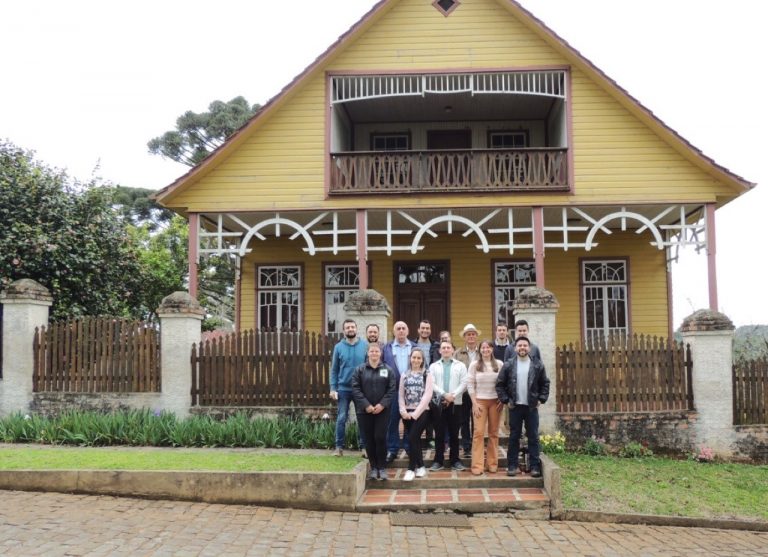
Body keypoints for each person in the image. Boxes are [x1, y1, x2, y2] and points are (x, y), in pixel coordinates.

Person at [496, 336, 550, 478]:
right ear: (515, 348)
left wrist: (541, 399)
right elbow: (500, 384)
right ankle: (512, 465)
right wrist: (506, 400)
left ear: (529, 348)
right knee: (514, 436)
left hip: (531, 407)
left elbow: (545, 383)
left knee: (533, 436)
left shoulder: (537, 364)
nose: (522, 348)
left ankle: (534, 466)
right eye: (520, 345)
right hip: (515, 406)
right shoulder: (508, 365)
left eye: (525, 345)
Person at [351, 343, 397, 480]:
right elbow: (355, 389)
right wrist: (366, 405)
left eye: (377, 351)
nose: (374, 353)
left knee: (380, 437)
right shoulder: (359, 370)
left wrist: (382, 405)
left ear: (381, 353)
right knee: (369, 439)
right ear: (368, 353)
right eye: (372, 351)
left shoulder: (388, 370)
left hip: (382, 411)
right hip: (364, 411)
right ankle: (374, 467)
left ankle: (382, 467)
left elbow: (391, 389)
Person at [329, 319, 368, 457]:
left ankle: (364, 448)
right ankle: (339, 447)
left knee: (362, 418)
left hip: (360, 389)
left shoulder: (365, 345)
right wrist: (333, 388)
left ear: (356, 328)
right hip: (343, 389)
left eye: (352, 326)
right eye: (347, 327)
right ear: (344, 330)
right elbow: (334, 370)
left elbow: (369, 368)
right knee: (341, 418)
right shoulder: (338, 347)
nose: (350, 329)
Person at [429, 340, 468, 472]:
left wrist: (453, 395)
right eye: (443, 348)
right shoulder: (433, 366)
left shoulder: (461, 365)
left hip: (455, 404)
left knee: (454, 434)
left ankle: (455, 460)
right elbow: (432, 384)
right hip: (439, 404)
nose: (446, 350)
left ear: (452, 350)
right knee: (439, 434)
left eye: (448, 347)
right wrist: (445, 394)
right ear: (440, 351)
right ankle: (438, 460)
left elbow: (464, 383)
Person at [467, 340, 504, 475]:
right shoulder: (474, 365)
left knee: (494, 433)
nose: (485, 350)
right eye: (483, 347)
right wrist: (474, 403)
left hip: (495, 402)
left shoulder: (499, 364)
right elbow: (470, 384)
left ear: (492, 349)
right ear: (480, 350)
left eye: (488, 347)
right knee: (478, 433)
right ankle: (477, 465)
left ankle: (492, 463)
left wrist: (502, 399)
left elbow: (503, 382)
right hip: (480, 402)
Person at [382, 321, 417, 463]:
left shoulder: (415, 347)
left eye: (403, 328)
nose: (401, 331)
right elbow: (382, 367)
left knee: (409, 421)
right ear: (394, 331)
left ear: (407, 331)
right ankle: (392, 449)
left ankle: (409, 447)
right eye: (398, 329)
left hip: (411, 390)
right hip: (393, 390)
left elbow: (422, 365)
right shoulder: (387, 348)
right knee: (392, 421)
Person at [398, 348, 434, 481]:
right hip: (407, 413)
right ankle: (421, 467)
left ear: (422, 360)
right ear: (410, 358)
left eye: (419, 358)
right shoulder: (404, 374)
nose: (416, 360)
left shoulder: (427, 374)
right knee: (415, 440)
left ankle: (410, 469)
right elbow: (401, 395)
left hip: (423, 412)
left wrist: (415, 414)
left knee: (412, 437)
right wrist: (403, 411)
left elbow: (427, 396)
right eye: (414, 357)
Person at [456, 323, 480, 457]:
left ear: (476, 336)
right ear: (464, 337)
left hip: (478, 392)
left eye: (473, 334)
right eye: (468, 334)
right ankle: (466, 447)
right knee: (464, 420)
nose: (471, 336)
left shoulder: (482, 351)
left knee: (477, 421)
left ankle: (476, 445)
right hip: (464, 393)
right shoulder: (458, 353)